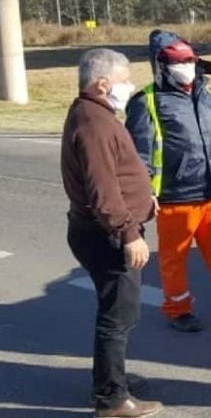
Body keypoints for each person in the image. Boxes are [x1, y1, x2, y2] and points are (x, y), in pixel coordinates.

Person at [125, 30, 211, 333]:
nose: (186, 66)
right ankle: (178, 309)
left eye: (190, 59)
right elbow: (138, 154)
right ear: (161, 64)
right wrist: (143, 194)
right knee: (174, 258)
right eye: (178, 61)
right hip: (175, 197)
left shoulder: (207, 95)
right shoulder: (146, 101)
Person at [60, 48, 163, 417]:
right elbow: (103, 191)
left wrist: (143, 196)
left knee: (118, 314)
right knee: (117, 318)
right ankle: (112, 399)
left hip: (101, 230)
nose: (130, 87)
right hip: (107, 235)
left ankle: (111, 381)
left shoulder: (92, 113)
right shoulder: (96, 124)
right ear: (103, 84)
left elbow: (114, 176)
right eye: (125, 80)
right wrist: (128, 233)